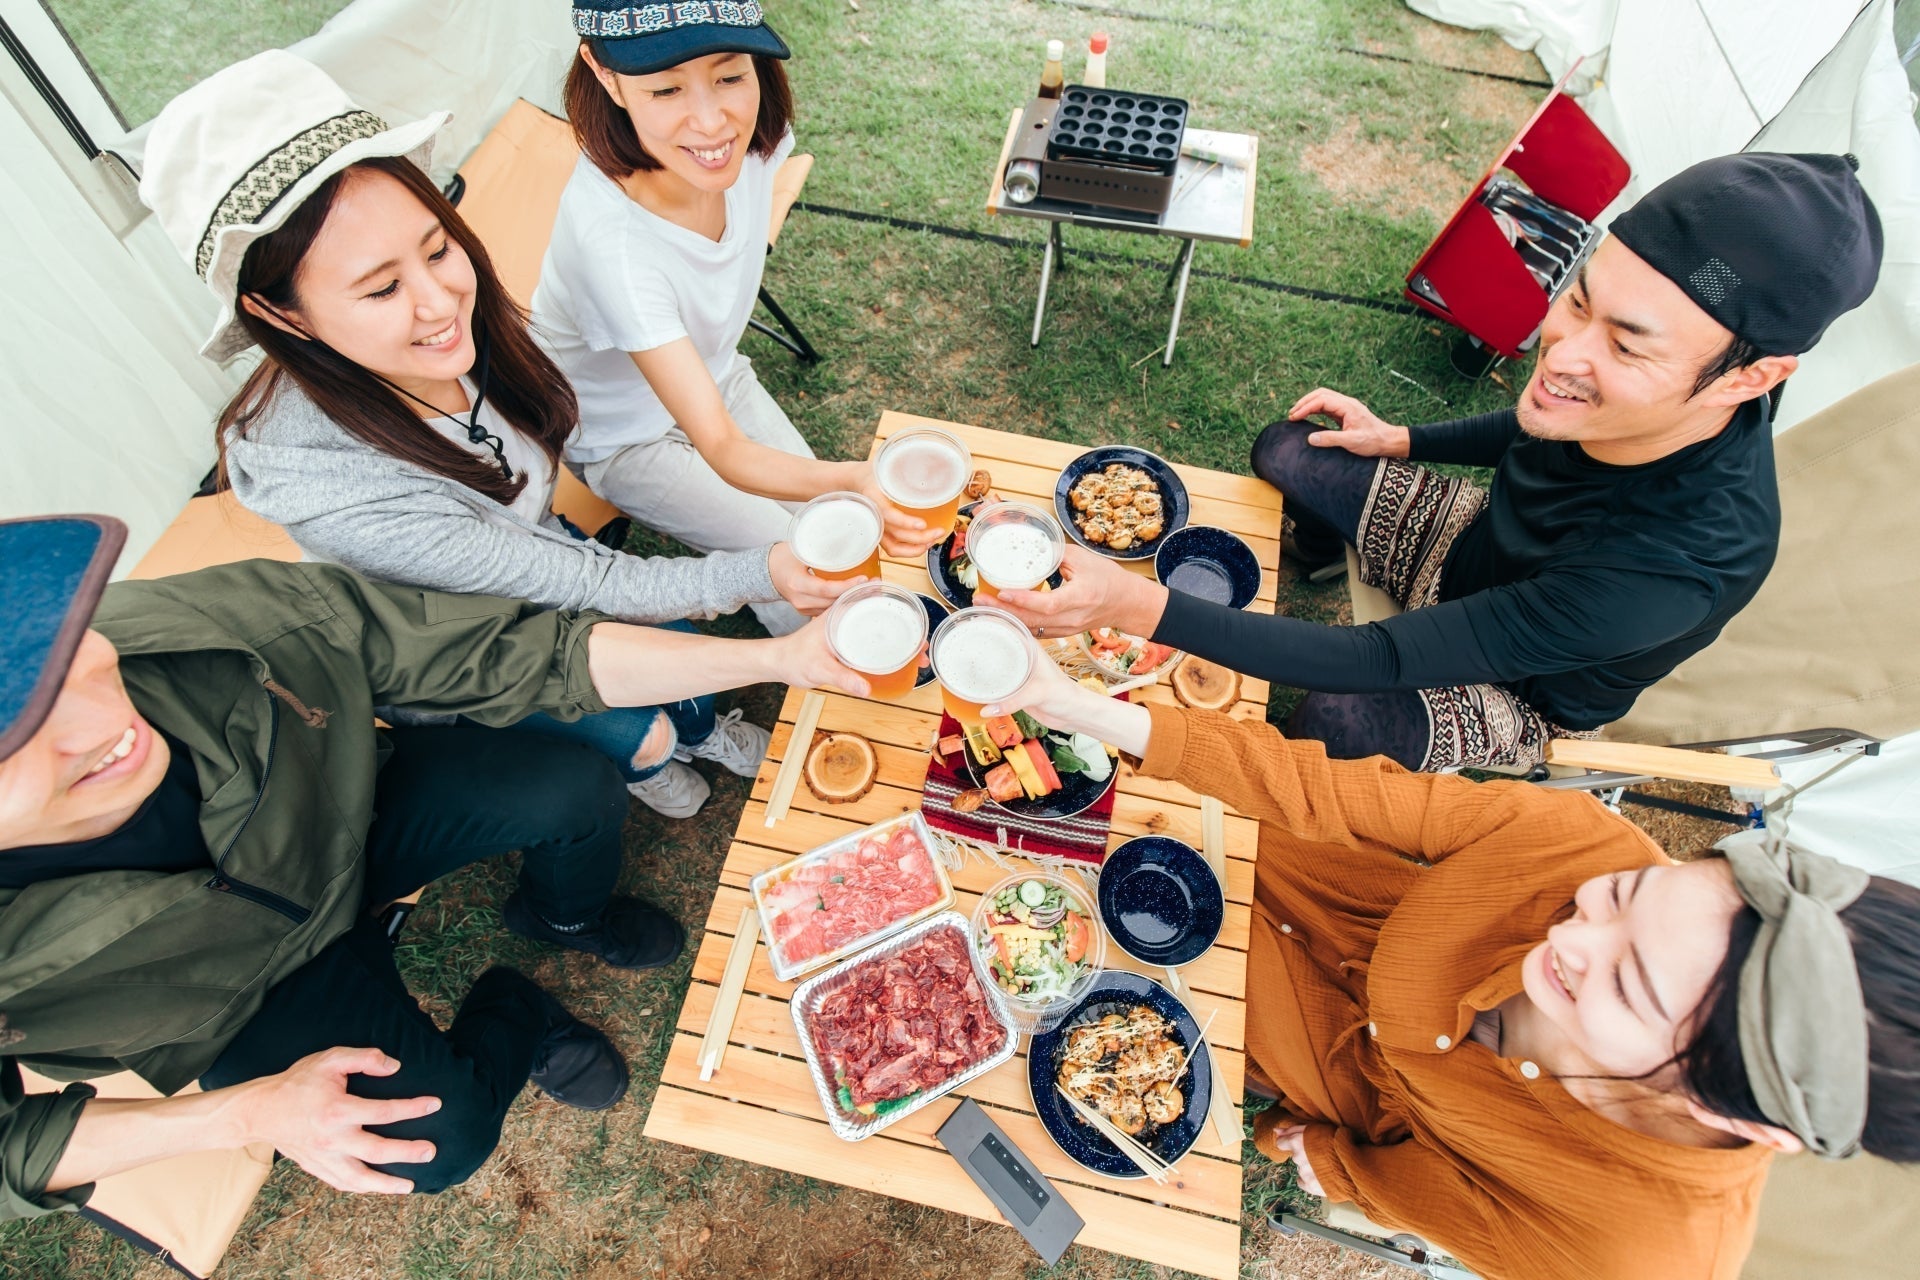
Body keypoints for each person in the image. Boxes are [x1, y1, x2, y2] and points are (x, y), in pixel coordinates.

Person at [0, 514, 868, 1218]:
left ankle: (560, 917)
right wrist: (240, 1113)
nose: (97, 712)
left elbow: (505, 653)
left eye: (57, 650)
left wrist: (774, 659)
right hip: (227, 1002)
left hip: (343, 830)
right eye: (19, 731)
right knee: (435, 1147)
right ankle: (515, 1011)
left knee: (573, 787)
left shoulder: (206, 627)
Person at [988, 647, 1920, 1280]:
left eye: (1628, 984)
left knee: (1071, 1014)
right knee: (1053, 840)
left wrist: (1321, 1154)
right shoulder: (1589, 845)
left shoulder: (1632, 1250)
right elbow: (1330, 793)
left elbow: (1423, 1196)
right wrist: (1079, 707)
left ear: (1723, 1108)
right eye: (1632, 895)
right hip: (1321, 884)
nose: (1571, 937)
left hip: (1331, 1068)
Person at [997, 153, 1883, 772]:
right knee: (1294, 446)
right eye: (1576, 302)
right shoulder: (1636, 396)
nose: (1562, 351)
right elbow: (1545, 423)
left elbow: (1377, 661)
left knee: (1330, 720)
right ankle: (1309, 554)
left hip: (1519, 681)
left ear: (1752, 378)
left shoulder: (1674, 567)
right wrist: (1405, 441)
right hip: (1469, 548)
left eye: (1625, 344)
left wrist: (1137, 605)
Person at [139, 51, 849, 819]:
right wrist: (762, 571)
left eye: (439, 247)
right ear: (283, 315)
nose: (441, 299)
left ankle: (697, 730)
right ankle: (648, 767)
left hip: (541, 547)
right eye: (382, 288)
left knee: (686, 673)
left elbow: (565, 559)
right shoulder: (336, 490)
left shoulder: (464, 330)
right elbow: (588, 586)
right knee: (639, 728)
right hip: (461, 644)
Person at [533, 1, 942, 639]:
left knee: (836, 522)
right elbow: (721, 447)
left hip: (717, 376)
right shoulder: (611, 242)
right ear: (604, 74)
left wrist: (848, 487)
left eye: (729, 75)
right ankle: (837, 681)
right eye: (666, 88)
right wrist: (856, 474)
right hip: (627, 441)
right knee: (809, 562)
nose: (711, 121)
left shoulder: (755, 145)